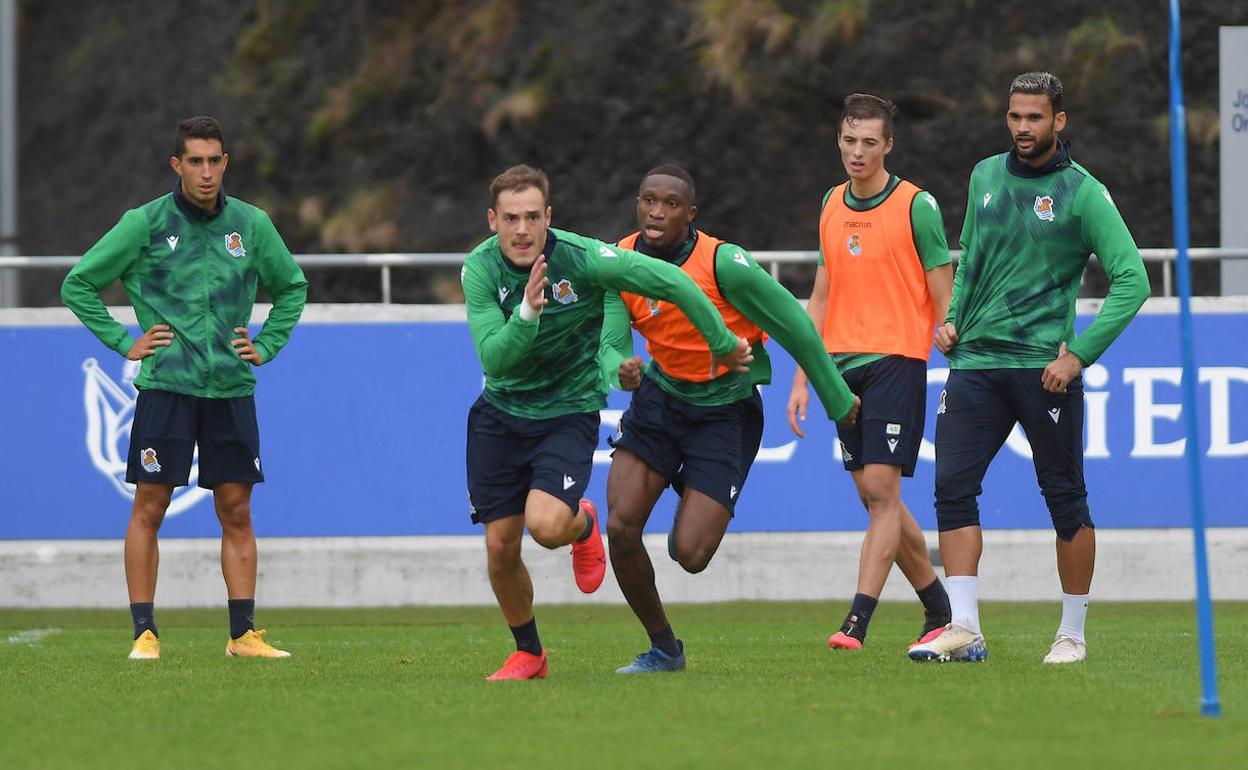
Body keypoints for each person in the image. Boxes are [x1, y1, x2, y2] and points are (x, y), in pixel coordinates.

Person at [461, 164, 753, 681]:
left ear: (548, 217)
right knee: (500, 546)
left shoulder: (586, 258)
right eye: (511, 218)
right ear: (492, 221)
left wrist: (722, 342)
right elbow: (495, 360)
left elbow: (672, 281)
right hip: (499, 415)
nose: (523, 230)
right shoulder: (479, 270)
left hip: (566, 413)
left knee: (547, 527)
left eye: (533, 217)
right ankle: (530, 652)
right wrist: (528, 313)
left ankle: (582, 523)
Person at [909, 72, 1149, 664]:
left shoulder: (1082, 192)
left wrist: (1079, 355)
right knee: (951, 489)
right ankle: (964, 627)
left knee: (1064, 497)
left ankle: (1072, 633)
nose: (1022, 128)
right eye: (1015, 116)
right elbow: (971, 261)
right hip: (975, 363)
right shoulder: (985, 174)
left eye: (1035, 118)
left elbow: (1133, 280)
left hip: (1044, 369)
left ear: (1058, 121)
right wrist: (954, 317)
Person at [61, 116, 308, 660]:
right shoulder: (144, 223)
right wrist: (122, 341)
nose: (204, 171)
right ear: (177, 165)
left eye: (213, 160)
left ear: (225, 163)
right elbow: (78, 282)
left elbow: (292, 286)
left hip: (231, 389)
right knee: (150, 506)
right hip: (166, 388)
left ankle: (243, 634)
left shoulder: (253, 224)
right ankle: (143, 633)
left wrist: (266, 346)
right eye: (193, 161)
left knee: (237, 510)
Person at [603, 164, 860, 674]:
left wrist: (837, 398)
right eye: (648, 201)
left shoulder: (725, 265)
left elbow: (796, 329)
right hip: (660, 401)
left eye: (670, 204)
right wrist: (621, 370)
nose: (657, 212)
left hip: (725, 411)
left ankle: (690, 482)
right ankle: (664, 649)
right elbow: (610, 341)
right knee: (621, 526)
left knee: (690, 554)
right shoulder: (620, 260)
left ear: (690, 214)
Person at [786, 94, 954, 654]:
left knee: (882, 489)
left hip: (897, 360)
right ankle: (939, 608)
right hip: (839, 365)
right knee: (874, 496)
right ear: (839, 140)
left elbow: (943, 296)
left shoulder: (916, 205)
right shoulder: (831, 202)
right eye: (849, 140)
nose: (857, 152)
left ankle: (857, 620)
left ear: (888, 146)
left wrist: (954, 340)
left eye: (869, 143)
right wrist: (804, 375)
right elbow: (822, 292)